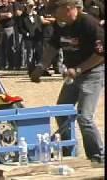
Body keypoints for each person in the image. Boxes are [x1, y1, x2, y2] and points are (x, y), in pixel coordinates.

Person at [30, 0, 104, 165]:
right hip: (73, 74)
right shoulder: (61, 25)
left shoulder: (89, 23)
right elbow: (52, 47)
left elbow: (100, 54)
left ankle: (98, 156)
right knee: (62, 111)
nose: (53, 13)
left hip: (93, 73)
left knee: (84, 117)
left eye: (56, 9)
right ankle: (68, 151)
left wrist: (78, 70)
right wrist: (41, 66)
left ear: (68, 8)